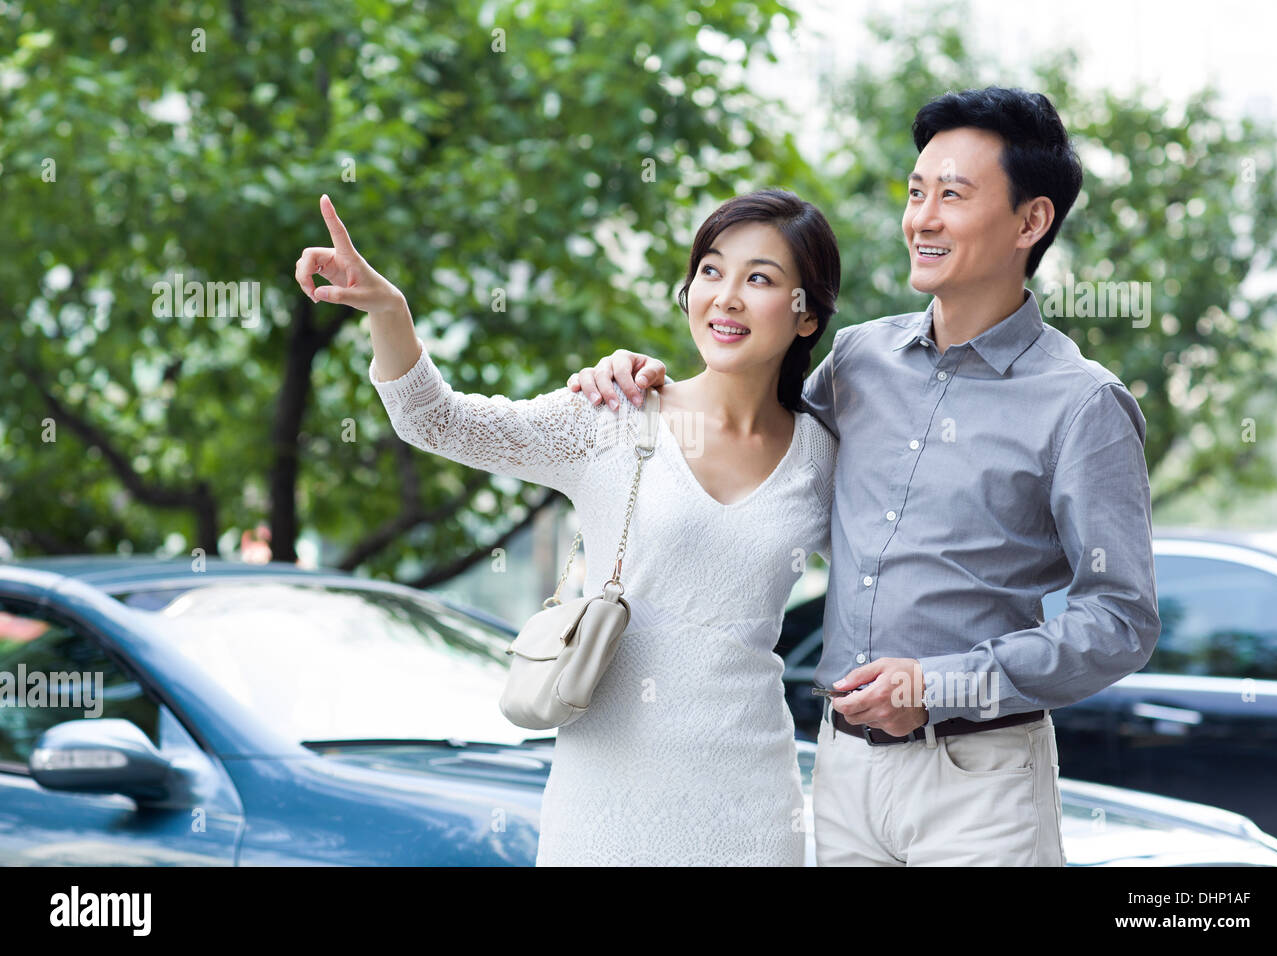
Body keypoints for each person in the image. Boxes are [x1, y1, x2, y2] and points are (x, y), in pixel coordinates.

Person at [567, 87, 1161, 866]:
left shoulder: (1082, 404)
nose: (923, 217)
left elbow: (1120, 620)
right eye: (917, 192)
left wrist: (937, 685)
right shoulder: (858, 362)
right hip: (841, 774)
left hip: (979, 782)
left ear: (1031, 220)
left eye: (954, 194)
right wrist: (644, 380)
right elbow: (750, 439)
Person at [294, 188, 841, 865]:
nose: (725, 296)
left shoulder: (823, 455)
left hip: (754, 807)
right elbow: (436, 420)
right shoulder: (614, 413)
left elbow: (886, 576)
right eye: (711, 269)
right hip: (605, 806)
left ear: (807, 315)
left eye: (759, 278)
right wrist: (388, 309)